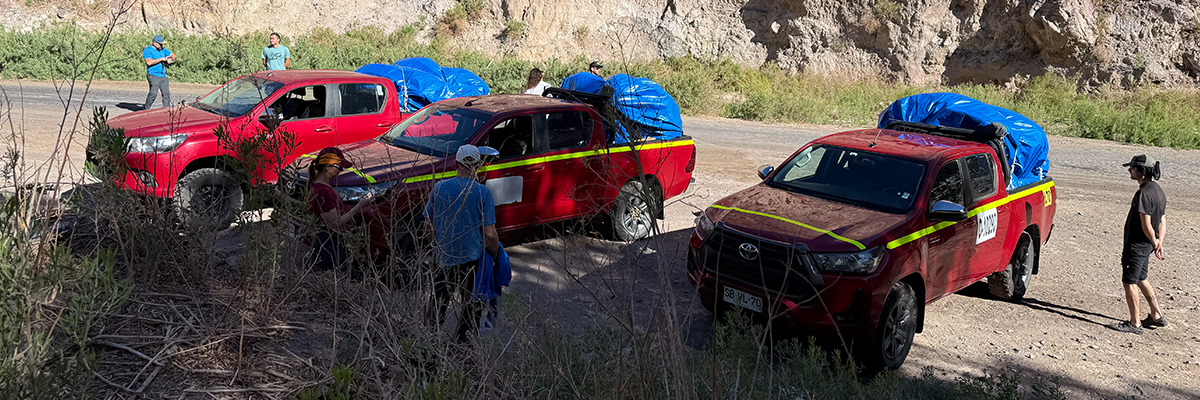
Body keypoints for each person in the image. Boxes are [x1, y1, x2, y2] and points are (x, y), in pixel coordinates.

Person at [423, 145, 499, 343]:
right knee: (471, 302)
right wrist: (495, 255)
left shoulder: (439, 188)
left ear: (456, 164)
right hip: (471, 260)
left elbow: (428, 226)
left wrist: (436, 246)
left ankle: (431, 339)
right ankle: (463, 341)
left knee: (439, 301)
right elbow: (490, 234)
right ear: (477, 165)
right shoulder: (483, 193)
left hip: (443, 258)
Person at [1110, 154, 1168, 335]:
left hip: (1137, 245)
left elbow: (1146, 223)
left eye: (1133, 167)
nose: (1130, 170)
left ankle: (1135, 323)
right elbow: (1163, 221)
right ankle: (1156, 315)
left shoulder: (1143, 194)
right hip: (1147, 246)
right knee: (1142, 278)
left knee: (1129, 281)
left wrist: (1154, 241)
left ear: (1142, 171)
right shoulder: (1158, 190)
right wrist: (1158, 243)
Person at [306, 147, 374, 272]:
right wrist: (359, 205)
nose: (340, 171)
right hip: (329, 244)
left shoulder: (316, 185)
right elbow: (334, 224)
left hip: (324, 241)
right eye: (339, 168)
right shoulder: (323, 192)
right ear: (328, 167)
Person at [142, 35, 176, 110]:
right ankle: (145, 109)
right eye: (160, 43)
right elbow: (149, 62)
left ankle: (167, 111)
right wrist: (162, 59)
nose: (161, 45)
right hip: (153, 75)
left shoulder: (163, 49)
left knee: (166, 94)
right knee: (153, 93)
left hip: (163, 76)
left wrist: (170, 59)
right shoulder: (148, 50)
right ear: (154, 43)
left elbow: (173, 55)